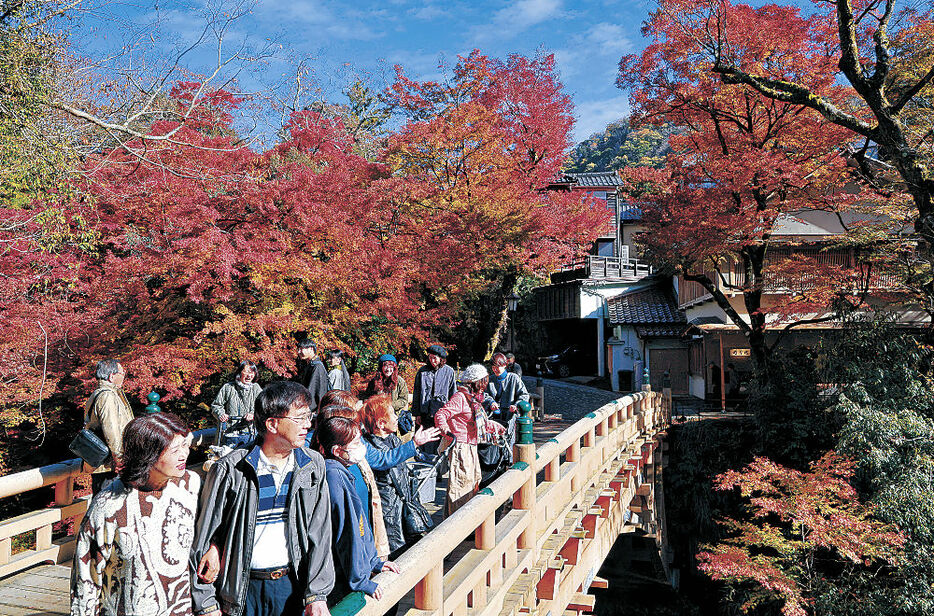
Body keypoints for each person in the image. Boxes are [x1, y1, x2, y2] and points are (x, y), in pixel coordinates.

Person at [191, 381, 334, 616]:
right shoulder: (232, 470)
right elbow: (205, 537)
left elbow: (321, 534)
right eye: (299, 419)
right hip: (243, 590)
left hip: (291, 586)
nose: (308, 425)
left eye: (308, 417)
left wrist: (317, 594)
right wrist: (206, 604)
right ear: (272, 424)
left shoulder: (312, 465)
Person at [72, 413, 197, 616]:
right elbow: (86, 578)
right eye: (175, 449)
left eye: (185, 445)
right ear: (149, 454)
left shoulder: (190, 486)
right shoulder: (109, 505)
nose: (184, 454)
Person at [316, 417, 400, 605]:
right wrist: (361, 580)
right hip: (341, 575)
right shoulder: (334, 476)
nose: (361, 447)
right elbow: (348, 533)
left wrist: (374, 562)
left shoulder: (343, 470)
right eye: (355, 443)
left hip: (353, 569)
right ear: (337, 450)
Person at [360, 395, 434, 554]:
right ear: (381, 423)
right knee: (396, 549)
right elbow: (386, 460)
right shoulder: (370, 445)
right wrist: (414, 444)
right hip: (389, 508)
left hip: (404, 503)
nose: (396, 417)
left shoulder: (393, 439)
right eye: (392, 414)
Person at [434, 364, 506, 515]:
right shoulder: (460, 398)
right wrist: (447, 432)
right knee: (460, 485)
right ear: (473, 382)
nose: (483, 387)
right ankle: (458, 524)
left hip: (471, 446)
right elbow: (441, 415)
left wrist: (495, 427)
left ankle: (461, 520)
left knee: (472, 482)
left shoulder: (473, 400)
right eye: (482, 383)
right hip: (460, 446)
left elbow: (478, 422)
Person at [84, 358, 134, 494]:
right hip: (109, 464)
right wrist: (119, 458)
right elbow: (110, 429)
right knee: (107, 501)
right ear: (112, 376)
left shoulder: (99, 394)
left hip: (104, 461)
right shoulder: (107, 396)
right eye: (122, 373)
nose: (123, 376)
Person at [411, 345, 456, 457]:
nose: (432, 360)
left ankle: (437, 467)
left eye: (434, 358)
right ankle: (423, 464)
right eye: (430, 357)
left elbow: (453, 394)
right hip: (425, 413)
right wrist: (417, 414)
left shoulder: (449, 372)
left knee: (439, 442)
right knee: (424, 442)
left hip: (441, 414)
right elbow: (416, 393)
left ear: (441, 359)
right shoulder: (422, 371)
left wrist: (451, 415)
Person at [210, 360, 262, 448]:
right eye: (246, 371)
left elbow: (262, 407)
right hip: (229, 432)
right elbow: (216, 405)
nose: (249, 375)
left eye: (252, 372)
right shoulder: (228, 387)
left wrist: (253, 415)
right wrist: (221, 414)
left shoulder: (256, 388)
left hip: (250, 432)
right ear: (240, 372)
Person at [485, 353, 530, 427]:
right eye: (493, 367)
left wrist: (516, 405)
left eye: (497, 367)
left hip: (510, 416)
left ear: (504, 365)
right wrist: (491, 402)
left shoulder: (514, 378)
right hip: (493, 416)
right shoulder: (490, 379)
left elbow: (524, 395)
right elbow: (485, 395)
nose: (495, 370)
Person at [296, 339, 330, 410]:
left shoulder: (317, 366)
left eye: (301, 349)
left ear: (311, 349)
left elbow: (314, 391)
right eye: (298, 349)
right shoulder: (310, 365)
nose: (298, 352)